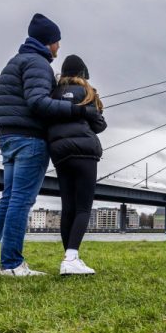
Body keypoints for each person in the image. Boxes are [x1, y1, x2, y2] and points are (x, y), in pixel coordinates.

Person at [0, 14, 97, 276]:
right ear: (48, 41)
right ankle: (12, 264)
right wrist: (79, 111)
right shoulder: (38, 64)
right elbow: (38, 102)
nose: (58, 47)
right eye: (57, 41)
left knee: (7, 199)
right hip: (29, 138)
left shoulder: (14, 61)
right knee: (21, 200)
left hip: (8, 136)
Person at [47, 55, 106, 275]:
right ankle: (71, 258)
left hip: (60, 152)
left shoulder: (52, 94)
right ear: (83, 74)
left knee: (68, 207)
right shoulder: (87, 92)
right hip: (84, 152)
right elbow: (99, 125)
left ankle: (69, 258)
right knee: (83, 208)